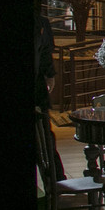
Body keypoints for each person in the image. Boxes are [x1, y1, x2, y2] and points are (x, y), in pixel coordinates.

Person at [36, 15, 66, 180]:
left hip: (37, 89)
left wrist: (49, 74)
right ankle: (55, 182)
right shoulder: (40, 22)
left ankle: (55, 182)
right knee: (45, 139)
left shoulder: (41, 22)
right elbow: (45, 51)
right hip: (37, 88)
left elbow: (46, 52)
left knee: (45, 139)